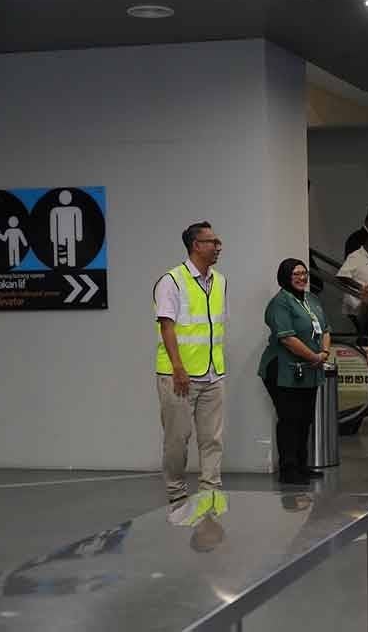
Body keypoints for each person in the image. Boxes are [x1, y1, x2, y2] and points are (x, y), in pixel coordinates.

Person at [153, 221, 227, 522]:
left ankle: (211, 492)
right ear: (196, 245)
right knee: (177, 439)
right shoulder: (172, 280)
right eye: (212, 241)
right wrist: (178, 368)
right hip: (179, 375)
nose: (218, 246)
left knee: (213, 439)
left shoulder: (220, 281)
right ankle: (177, 494)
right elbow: (167, 326)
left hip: (213, 373)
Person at [258, 258, 332, 484]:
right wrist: (315, 357)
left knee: (305, 419)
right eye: (296, 274)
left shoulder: (312, 299)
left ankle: (302, 464)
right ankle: (288, 469)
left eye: (304, 273)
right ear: (285, 277)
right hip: (283, 370)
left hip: (310, 369)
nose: (302, 278)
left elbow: (326, 329)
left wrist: (324, 354)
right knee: (289, 419)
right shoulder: (280, 303)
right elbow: (288, 339)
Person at [336, 233, 368, 338]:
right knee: (364, 334)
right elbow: (341, 276)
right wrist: (361, 287)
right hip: (357, 304)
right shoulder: (356, 256)